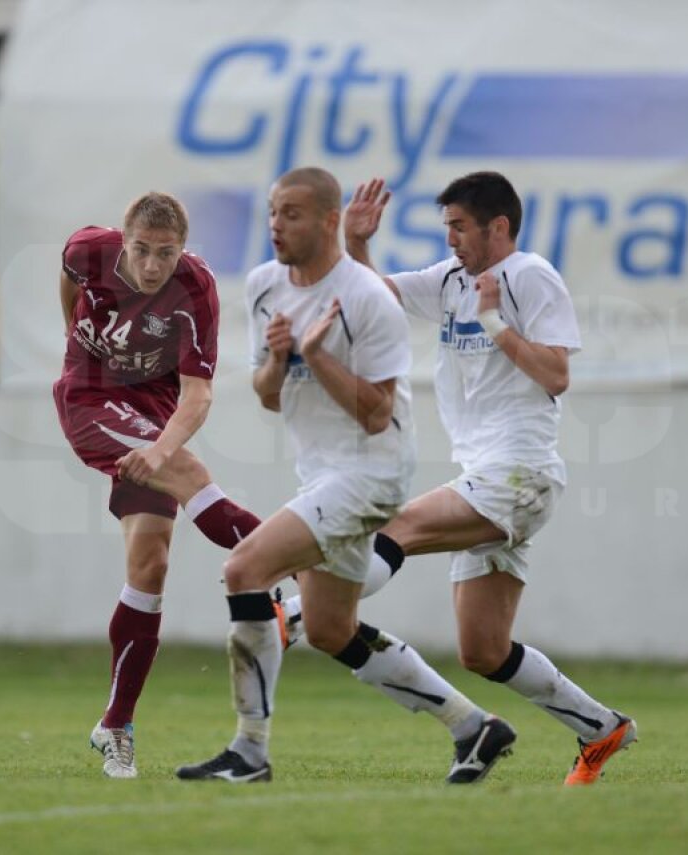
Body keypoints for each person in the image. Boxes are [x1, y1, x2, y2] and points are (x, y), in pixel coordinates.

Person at [280, 171, 637, 786]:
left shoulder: (530, 276)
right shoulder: (448, 281)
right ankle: (601, 728)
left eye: (460, 226)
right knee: (483, 650)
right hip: (485, 474)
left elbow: (556, 376)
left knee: (397, 525)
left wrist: (495, 321)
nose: (450, 239)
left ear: (498, 226)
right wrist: (358, 244)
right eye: (446, 226)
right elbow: (373, 300)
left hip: (520, 470)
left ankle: (292, 613)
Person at [175, 167, 514, 786]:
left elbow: (378, 412)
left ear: (330, 221)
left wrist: (317, 354)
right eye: (274, 212)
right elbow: (268, 397)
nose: (277, 225)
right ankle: (473, 727)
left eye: (293, 214)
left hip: (371, 474)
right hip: (323, 475)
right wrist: (280, 359)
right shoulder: (262, 285)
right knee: (332, 631)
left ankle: (249, 751)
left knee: (244, 570)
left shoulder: (365, 297)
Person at [54, 191, 268, 779]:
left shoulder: (195, 289)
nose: (152, 265)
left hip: (155, 414)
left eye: (165, 253)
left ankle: (115, 726)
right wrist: (77, 347)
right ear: (124, 242)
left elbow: (198, 396)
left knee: (150, 567)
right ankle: (302, 564)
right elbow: (69, 286)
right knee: (192, 474)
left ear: (183, 249)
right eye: (142, 251)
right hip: (90, 398)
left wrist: (158, 447)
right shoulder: (86, 249)